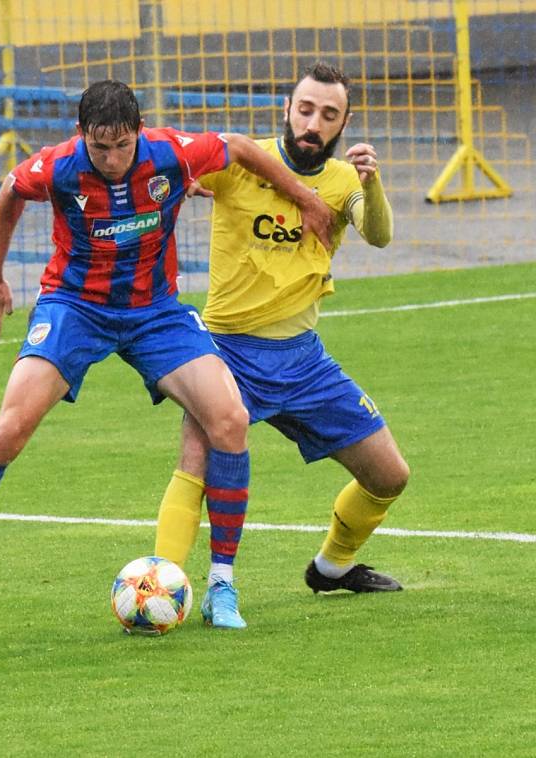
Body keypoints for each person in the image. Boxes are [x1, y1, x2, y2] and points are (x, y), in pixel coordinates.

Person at [0, 79, 334, 627]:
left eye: (122, 146)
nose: (112, 160)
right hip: (74, 307)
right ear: (80, 136)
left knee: (229, 418)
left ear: (139, 132)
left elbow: (240, 146)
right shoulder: (60, 166)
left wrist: (305, 199)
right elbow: (10, 193)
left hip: (154, 312)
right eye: (99, 147)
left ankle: (222, 587)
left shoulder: (172, 154)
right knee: (11, 427)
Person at [153, 62, 410, 628]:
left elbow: (380, 235)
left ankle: (332, 568)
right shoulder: (240, 164)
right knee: (195, 463)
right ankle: (159, 583)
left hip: (304, 360)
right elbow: (174, 167)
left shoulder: (344, 181)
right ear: (287, 109)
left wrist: (372, 183)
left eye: (328, 115)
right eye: (305, 109)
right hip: (226, 353)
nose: (313, 123)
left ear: (342, 124)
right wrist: (179, 183)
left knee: (389, 475)